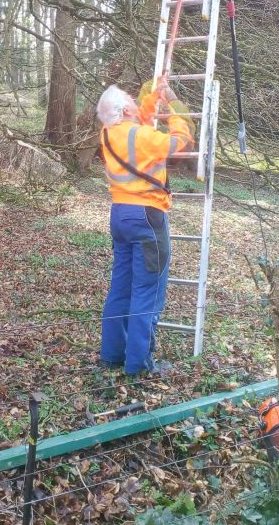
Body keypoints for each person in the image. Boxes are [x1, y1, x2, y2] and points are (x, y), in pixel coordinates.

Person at [96, 77, 194, 376]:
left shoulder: (107, 134)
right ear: (125, 111)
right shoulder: (142, 137)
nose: (135, 102)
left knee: (121, 288)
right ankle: (139, 364)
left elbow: (138, 117)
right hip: (147, 217)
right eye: (130, 100)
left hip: (120, 215)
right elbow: (181, 140)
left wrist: (154, 95)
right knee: (147, 290)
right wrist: (174, 105)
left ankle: (111, 355)